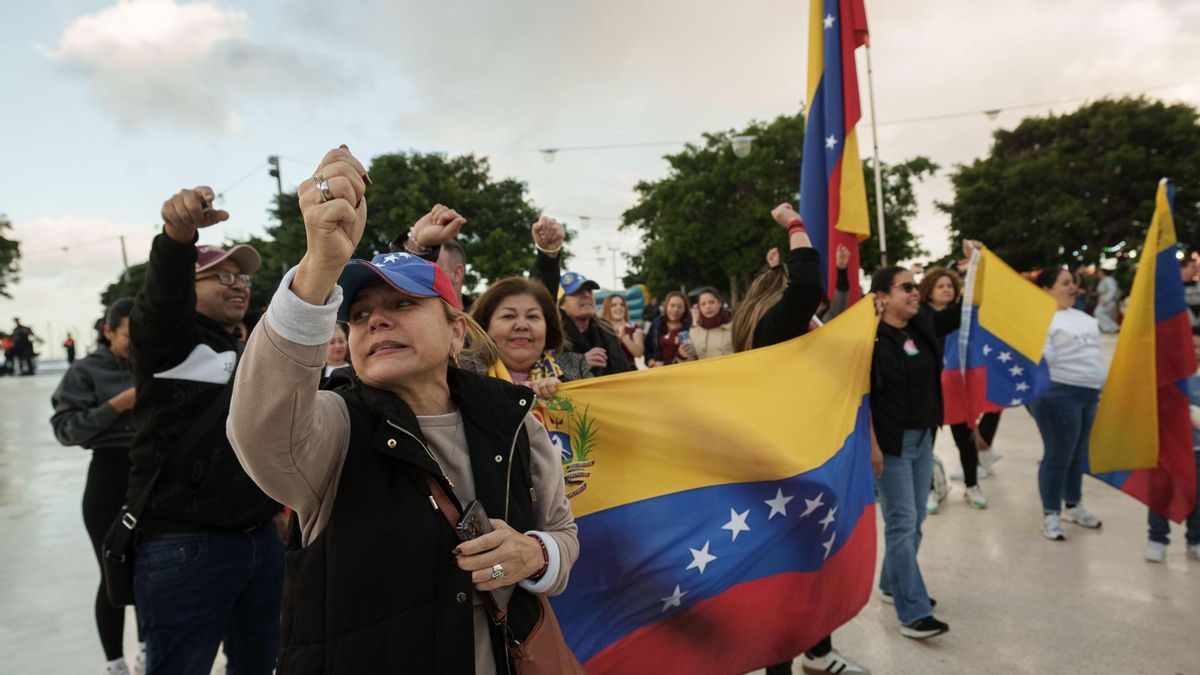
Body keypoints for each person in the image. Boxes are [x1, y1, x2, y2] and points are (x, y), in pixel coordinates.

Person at [226, 147, 579, 674]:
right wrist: (321, 265)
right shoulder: (336, 428)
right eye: (361, 313)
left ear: (456, 331)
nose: (376, 322)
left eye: (404, 304)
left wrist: (537, 556)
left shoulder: (515, 426)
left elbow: (563, 536)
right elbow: (261, 430)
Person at [128, 186, 284, 674]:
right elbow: (163, 299)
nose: (237, 284)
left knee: (262, 665)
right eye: (219, 276)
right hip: (184, 547)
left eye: (241, 277)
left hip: (261, 541)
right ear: (187, 288)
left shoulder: (248, 345)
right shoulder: (167, 342)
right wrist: (177, 239)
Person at [725, 204, 864, 675]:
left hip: (792, 460)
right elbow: (808, 285)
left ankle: (816, 650)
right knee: (793, 577)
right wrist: (795, 224)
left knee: (803, 569)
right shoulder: (775, 328)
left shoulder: (770, 330)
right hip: (788, 467)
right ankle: (786, 663)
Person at [869, 240, 978, 641]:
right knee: (901, 523)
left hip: (922, 439)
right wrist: (873, 446)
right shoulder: (870, 340)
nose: (915, 292)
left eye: (915, 286)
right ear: (882, 297)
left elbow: (965, 308)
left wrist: (974, 268)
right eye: (906, 287)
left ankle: (890, 583)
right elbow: (859, 399)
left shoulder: (922, 326)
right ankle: (911, 613)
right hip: (891, 444)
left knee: (914, 521)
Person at [50, 298, 143, 675]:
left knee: (153, 568)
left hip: (152, 475)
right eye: (127, 336)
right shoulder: (85, 372)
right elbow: (66, 430)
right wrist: (117, 405)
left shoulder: (154, 362)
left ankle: (148, 648)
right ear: (108, 331)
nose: (136, 343)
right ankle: (114, 662)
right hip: (107, 475)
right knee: (113, 573)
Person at [1027, 266, 1107, 541]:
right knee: (1058, 455)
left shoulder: (1085, 318)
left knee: (1078, 454)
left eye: (1073, 282)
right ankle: (1051, 514)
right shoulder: (1041, 319)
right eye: (1065, 283)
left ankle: (1073, 505)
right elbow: (1041, 360)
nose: (1072, 287)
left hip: (1088, 395)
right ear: (1047, 290)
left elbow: (1093, 355)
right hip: (1058, 396)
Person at [918, 267, 988, 511]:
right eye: (940, 286)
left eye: (949, 285)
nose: (946, 289)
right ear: (928, 291)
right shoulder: (919, 315)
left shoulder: (964, 316)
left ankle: (972, 485)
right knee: (926, 443)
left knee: (965, 439)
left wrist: (976, 269)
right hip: (929, 388)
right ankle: (927, 491)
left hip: (958, 385)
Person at [471, 276, 592, 398]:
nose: (522, 326)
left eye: (532, 316)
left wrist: (563, 394)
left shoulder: (577, 368)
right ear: (484, 327)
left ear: (548, 327)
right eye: (509, 316)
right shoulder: (465, 375)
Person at [1145, 328, 1200, 562]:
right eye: (1192, 347)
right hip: (1166, 449)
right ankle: (1157, 538)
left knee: (1196, 497)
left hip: (1197, 451)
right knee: (1161, 494)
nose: (1196, 352)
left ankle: (1195, 540)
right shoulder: (1168, 377)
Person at [643, 291, 694, 367]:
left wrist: (664, 364)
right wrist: (649, 360)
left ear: (684, 310)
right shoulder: (656, 324)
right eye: (672, 305)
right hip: (658, 373)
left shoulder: (690, 328)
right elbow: (648, 347)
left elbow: (690, 356)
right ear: (666, 306)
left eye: (680, 307)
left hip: (681, 371)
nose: (675, 309)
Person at [600, 293, 645, 366]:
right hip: (607, 372)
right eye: (614, 305)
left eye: (622, 305)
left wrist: (624, 337)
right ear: (607, 308)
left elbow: (639, 353)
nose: (619, 307)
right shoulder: (601, 327)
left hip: (629, 370)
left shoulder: (633, 327)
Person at [689, 287, 734, 359]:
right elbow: (690, 361)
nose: (708, 307)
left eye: (712, 302)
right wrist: (682, 356)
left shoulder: (734, 327)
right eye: (703, 304)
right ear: (699, 307)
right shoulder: (693, 332)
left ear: (719, 303)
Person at [1094, 267, 1120, 333]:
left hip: (1108, 301)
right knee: (1103, 314)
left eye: (1099, 273)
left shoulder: (1108, 279)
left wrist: (1107, 300)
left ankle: (1113, 327)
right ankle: (1108, 328)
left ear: (1103, 273)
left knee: (1098, 312)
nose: (1098, 274)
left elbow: (1112, 290)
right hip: (1103, 301)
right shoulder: (1103, 280)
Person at [1182, 256, 1200, 329]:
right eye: (1193, 267)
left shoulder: (1199, 285)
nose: (1196, 269)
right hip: (1184, 329)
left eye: (1196, 267)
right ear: (1183, 268)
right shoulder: (1173, 288)